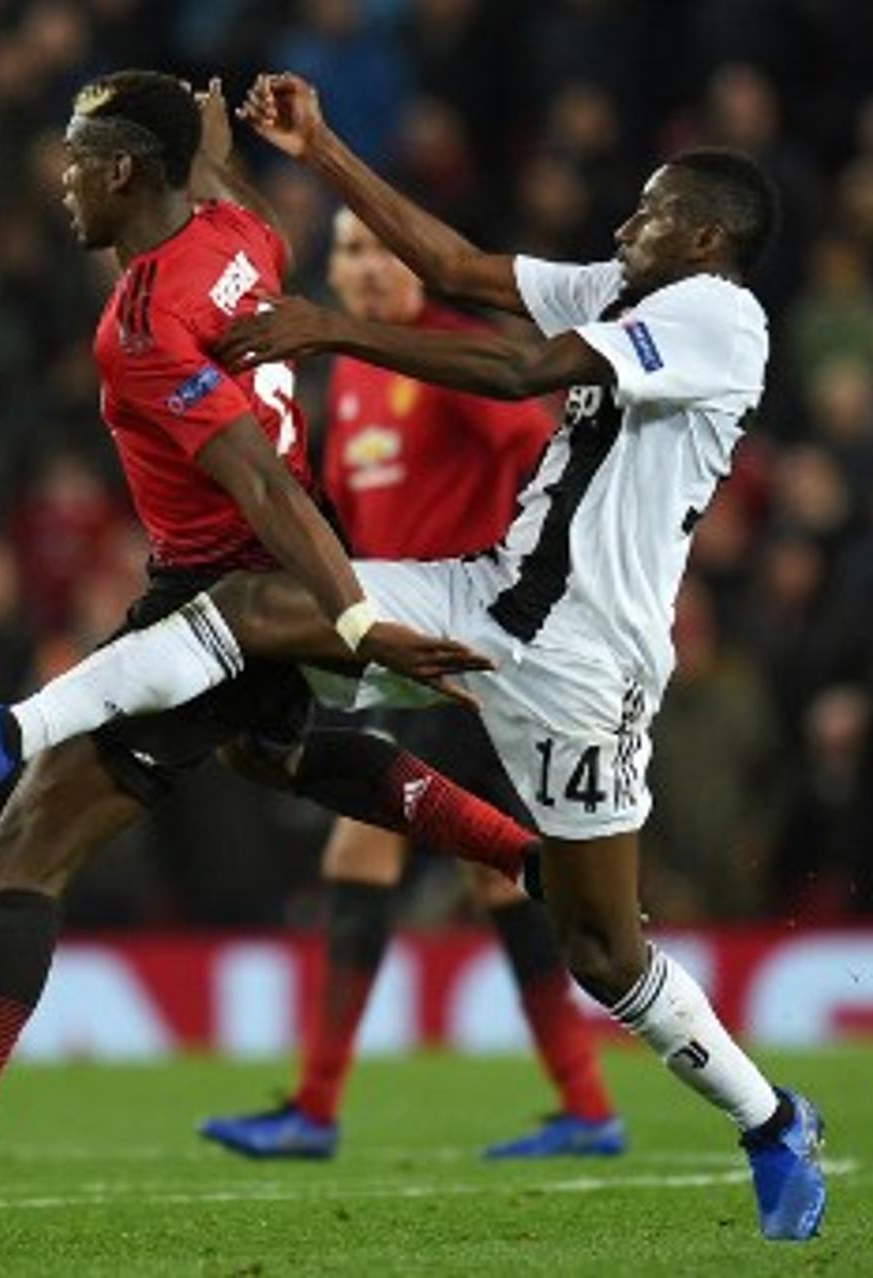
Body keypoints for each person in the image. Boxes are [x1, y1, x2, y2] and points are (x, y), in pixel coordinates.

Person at [0, 74, 830, 1242]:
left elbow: (517, 372)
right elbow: (461, 271)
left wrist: (333, 327)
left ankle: (770, 1118)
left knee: (604, 948)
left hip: (591, 658)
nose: (621, 227)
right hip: (487, 590)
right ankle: (10, 733)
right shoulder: (626, 285)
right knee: (260, 614)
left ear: (702, 237)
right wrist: (324, 148)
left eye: (646, 214)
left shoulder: (718, 317)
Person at [0, 71, 556, 1251]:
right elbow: (222, 201)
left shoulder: (139, 327)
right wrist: (214, 136)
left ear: (128, 172)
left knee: (25, 848)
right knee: (277, 753)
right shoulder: (248, 233)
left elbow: (258, 479)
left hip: (229, 592)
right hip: (263, 571)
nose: (62, 181)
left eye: (78, 159)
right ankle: (525, 855)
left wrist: (345, 620)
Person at [198, 208, 623, 1161]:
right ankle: (588, 1108)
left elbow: (548, 460)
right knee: (494, 875)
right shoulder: (351, 373)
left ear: (419, 268)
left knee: (365, 855)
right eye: (347, 249)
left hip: (462, 648)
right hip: (406, 655)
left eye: (382, 247)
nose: (366, 265)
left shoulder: (451, 362)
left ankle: (314, 1109)